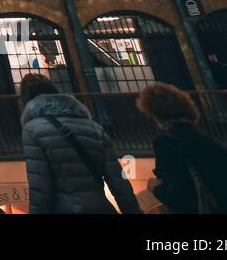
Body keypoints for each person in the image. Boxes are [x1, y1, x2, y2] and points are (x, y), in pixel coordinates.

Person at [19, 73, 139, 214]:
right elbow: (118, 181)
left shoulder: (32, 129)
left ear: (24, 99)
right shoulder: (94, 127)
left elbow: (40, 186)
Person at [137, 83, 227, 213]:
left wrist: (155, 188)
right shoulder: (207, 141)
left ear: (156, 114)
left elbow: (181, 195)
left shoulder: (166, 143)